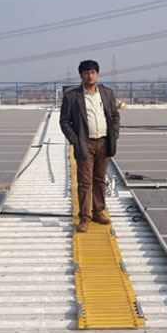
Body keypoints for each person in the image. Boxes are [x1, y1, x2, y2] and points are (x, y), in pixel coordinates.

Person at [60, 60, 120, 233]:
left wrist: (114, 134)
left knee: (99, 179)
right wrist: (76, 140)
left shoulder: (107, 93)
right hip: (85, 143)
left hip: (104, 142)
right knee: (85, 181)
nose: (90, 75)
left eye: (93, 72)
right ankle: (85, 217)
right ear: (81, 75)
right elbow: (64, 122)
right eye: (86, 73)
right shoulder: (72, 96)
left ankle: (98, 211)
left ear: (97, 74)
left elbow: (115, 115)